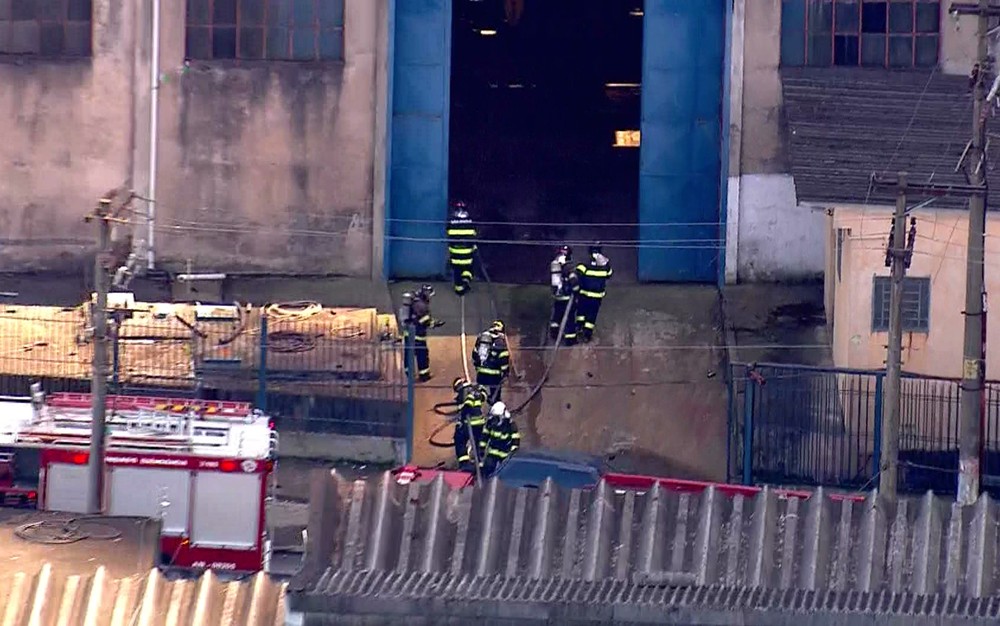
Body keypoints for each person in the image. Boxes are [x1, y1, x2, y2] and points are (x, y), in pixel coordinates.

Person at [402, 284, 444, 381]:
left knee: (409, 355)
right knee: (422, 355)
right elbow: (425, 321)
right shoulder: (421, 305)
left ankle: (409, 375)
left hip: (409, 334)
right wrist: (435, 324)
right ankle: (424, 376)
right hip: (418, 335)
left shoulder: (416, 302)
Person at [575, 243, 612, 343]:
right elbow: (609, 274)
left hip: (584, 293)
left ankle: (578, 328)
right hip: (597, 295)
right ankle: (587, 334)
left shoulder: (585, 261)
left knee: (581, 312)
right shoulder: (604, 262)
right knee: (592, 315)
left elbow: (578, 272)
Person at [452, 377, 488, 471]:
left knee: (460, 440)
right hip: (479, 422)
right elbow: (484, 396)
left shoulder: (464, 392)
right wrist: (480, 389)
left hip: (469, 423)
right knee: (477, 442)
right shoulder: (474, 390)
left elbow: (467, 406)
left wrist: (461, 419)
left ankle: (464, 463)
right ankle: (479, 462)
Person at [473, 320, 510, 402]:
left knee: (479, 395)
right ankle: (494, 408)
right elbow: (503, 359)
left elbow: (475, 353)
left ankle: (475, 409)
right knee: (495, 396)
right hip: (494, 376)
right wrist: (506, 372)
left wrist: (477, 366)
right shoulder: (500, 341)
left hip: (481, 374)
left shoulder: (482, 337)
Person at [549, 245, 580, 345]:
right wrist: (576, 290)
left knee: (557, 315)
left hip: (557, 296)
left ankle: (554, 333)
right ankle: (570, 339)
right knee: (569, 318)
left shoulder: (555, 263)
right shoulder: (569, 266)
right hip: (567, 296)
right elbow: (573, 280)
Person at [446, 201, 477, 296]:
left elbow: (448, 233)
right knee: (469, 269)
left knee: (457, 271)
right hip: (468, 253)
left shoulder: (451, 221)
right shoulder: (471, 221)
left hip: (455, 253)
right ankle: (466, 281)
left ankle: (459, 289)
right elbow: (474, 234)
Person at [482, 401, 521, 478]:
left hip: (505, 454)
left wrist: (512, 453)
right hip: (492, 452)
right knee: (486, 469)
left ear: (502, 416)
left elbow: (516, 440)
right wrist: (481, 450)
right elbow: (485, 436)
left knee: (506, 474)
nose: (495, 419)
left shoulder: (510, 425)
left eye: (497, 417)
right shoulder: (490, 423)